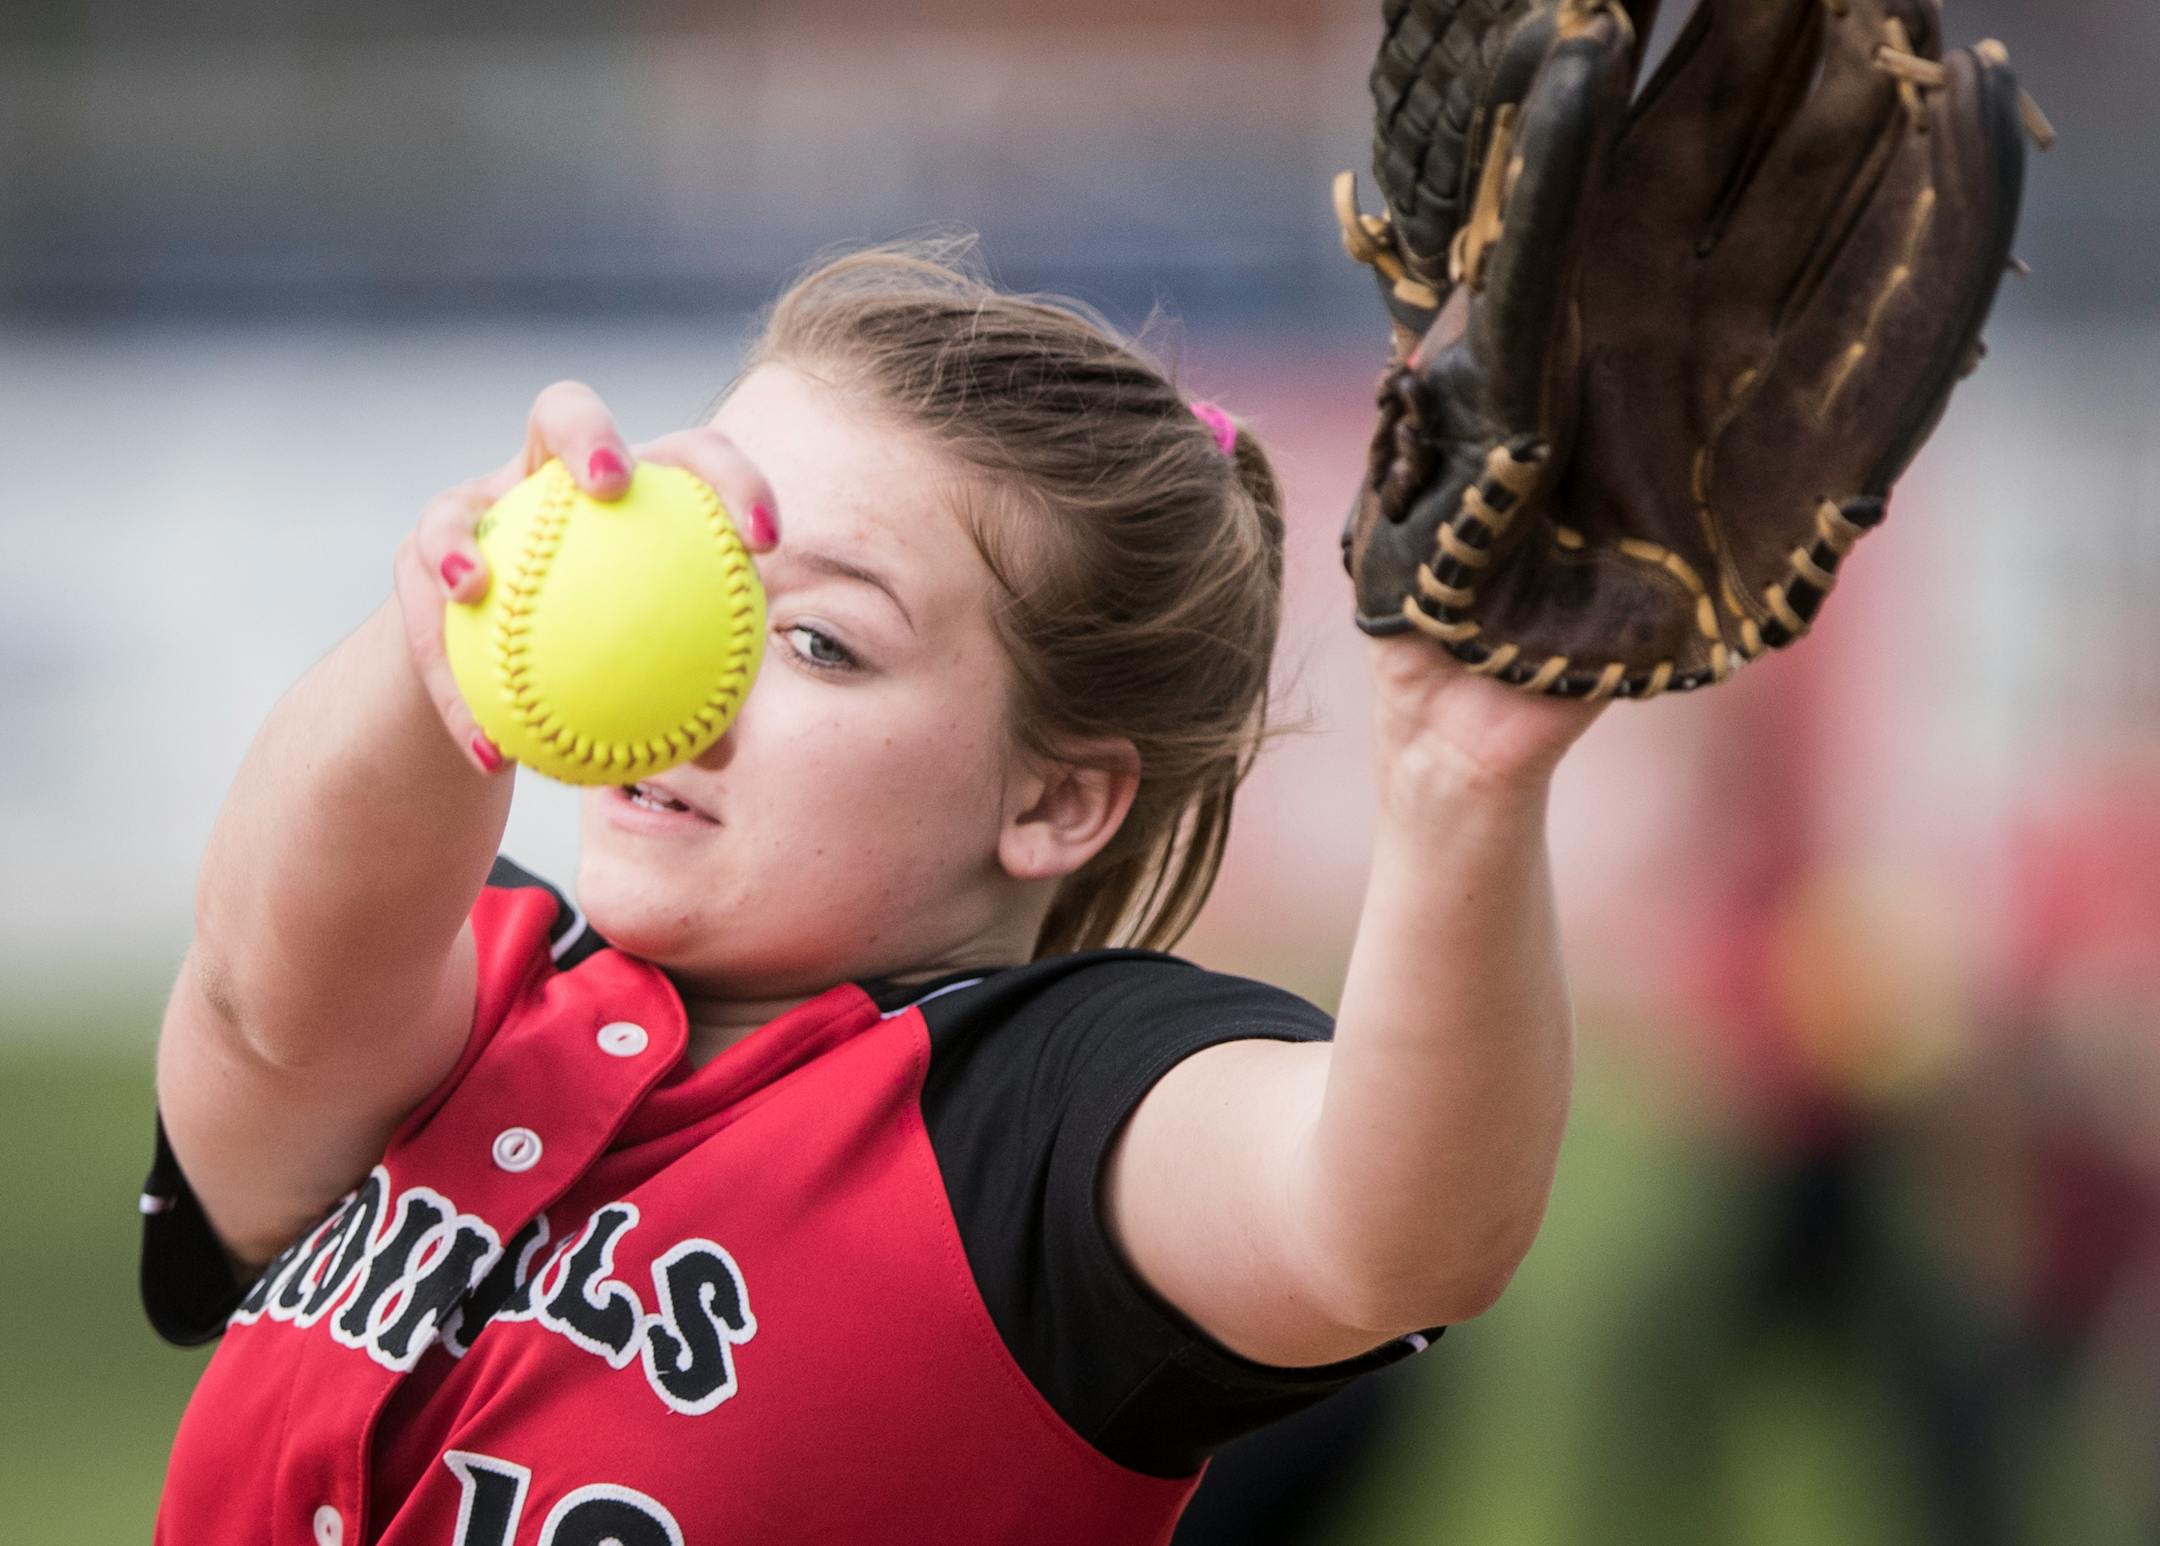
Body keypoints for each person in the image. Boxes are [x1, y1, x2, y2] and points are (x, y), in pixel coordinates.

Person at [140, 237, 1603, 1544]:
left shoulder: (1040, 1118)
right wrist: (460, 624)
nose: (681, 691)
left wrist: (1461, 794)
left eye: (822, 642)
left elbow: (1391, 1224)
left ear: (1053, 800)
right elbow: (260, 993)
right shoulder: (479, 989)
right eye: (696, 586)